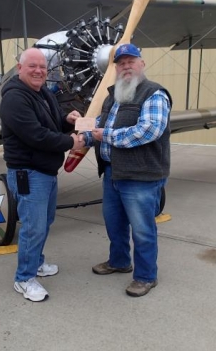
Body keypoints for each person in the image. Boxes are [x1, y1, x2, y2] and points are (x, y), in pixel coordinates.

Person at [80, 43, 172, 297]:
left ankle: (145, 276)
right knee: (115, 223)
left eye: (131, 61)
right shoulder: (113, 96)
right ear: (116, 68)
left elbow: (150, 130)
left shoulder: (153, 94)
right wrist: (81, 133)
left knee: (142, 229)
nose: (126, 66)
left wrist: (105, 135)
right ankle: (119, 261)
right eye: (121, 63)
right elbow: (99, 126)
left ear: (142, 64)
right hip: (113, 173)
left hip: (141, 177)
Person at [0, 47, 84, 302]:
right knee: (33, 228)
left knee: (44, 223)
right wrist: (72, 142)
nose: (38, 71)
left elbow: (51, 121)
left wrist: (67, 119)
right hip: (29, 173)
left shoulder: (41, 91)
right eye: (32, 66)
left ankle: (36, 264)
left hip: (46, 172)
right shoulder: (15, 98)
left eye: (43, 67)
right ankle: (23, 278)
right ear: (20, 69)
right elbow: (36, 135)